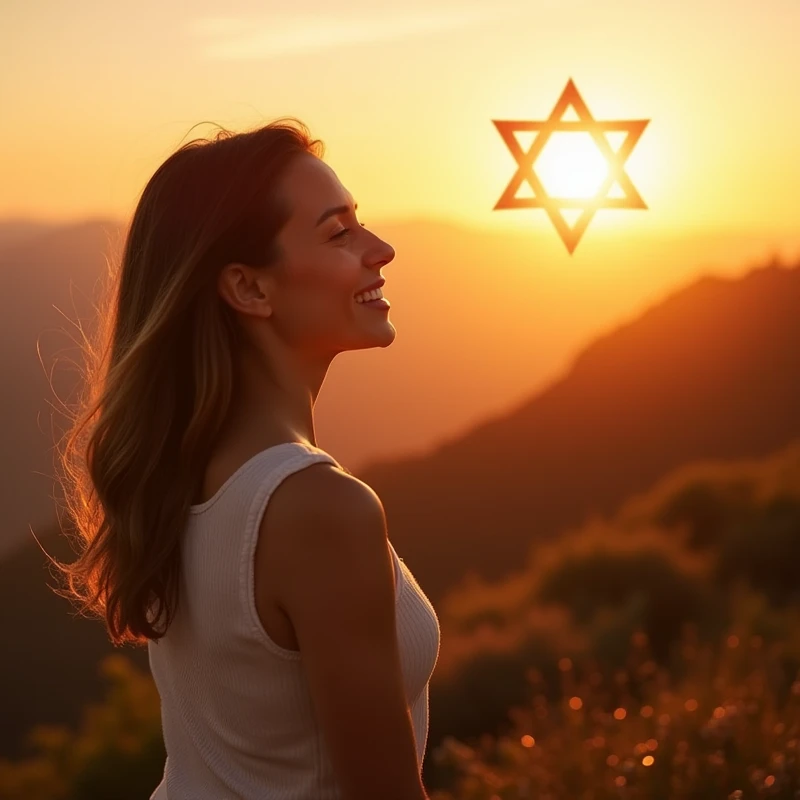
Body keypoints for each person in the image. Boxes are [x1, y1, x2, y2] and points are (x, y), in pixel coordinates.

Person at [52, 117, 441, 799]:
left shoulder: (183, 477)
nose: (381, 249)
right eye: (338, 232)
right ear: (250, 289)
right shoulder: (319, 510)